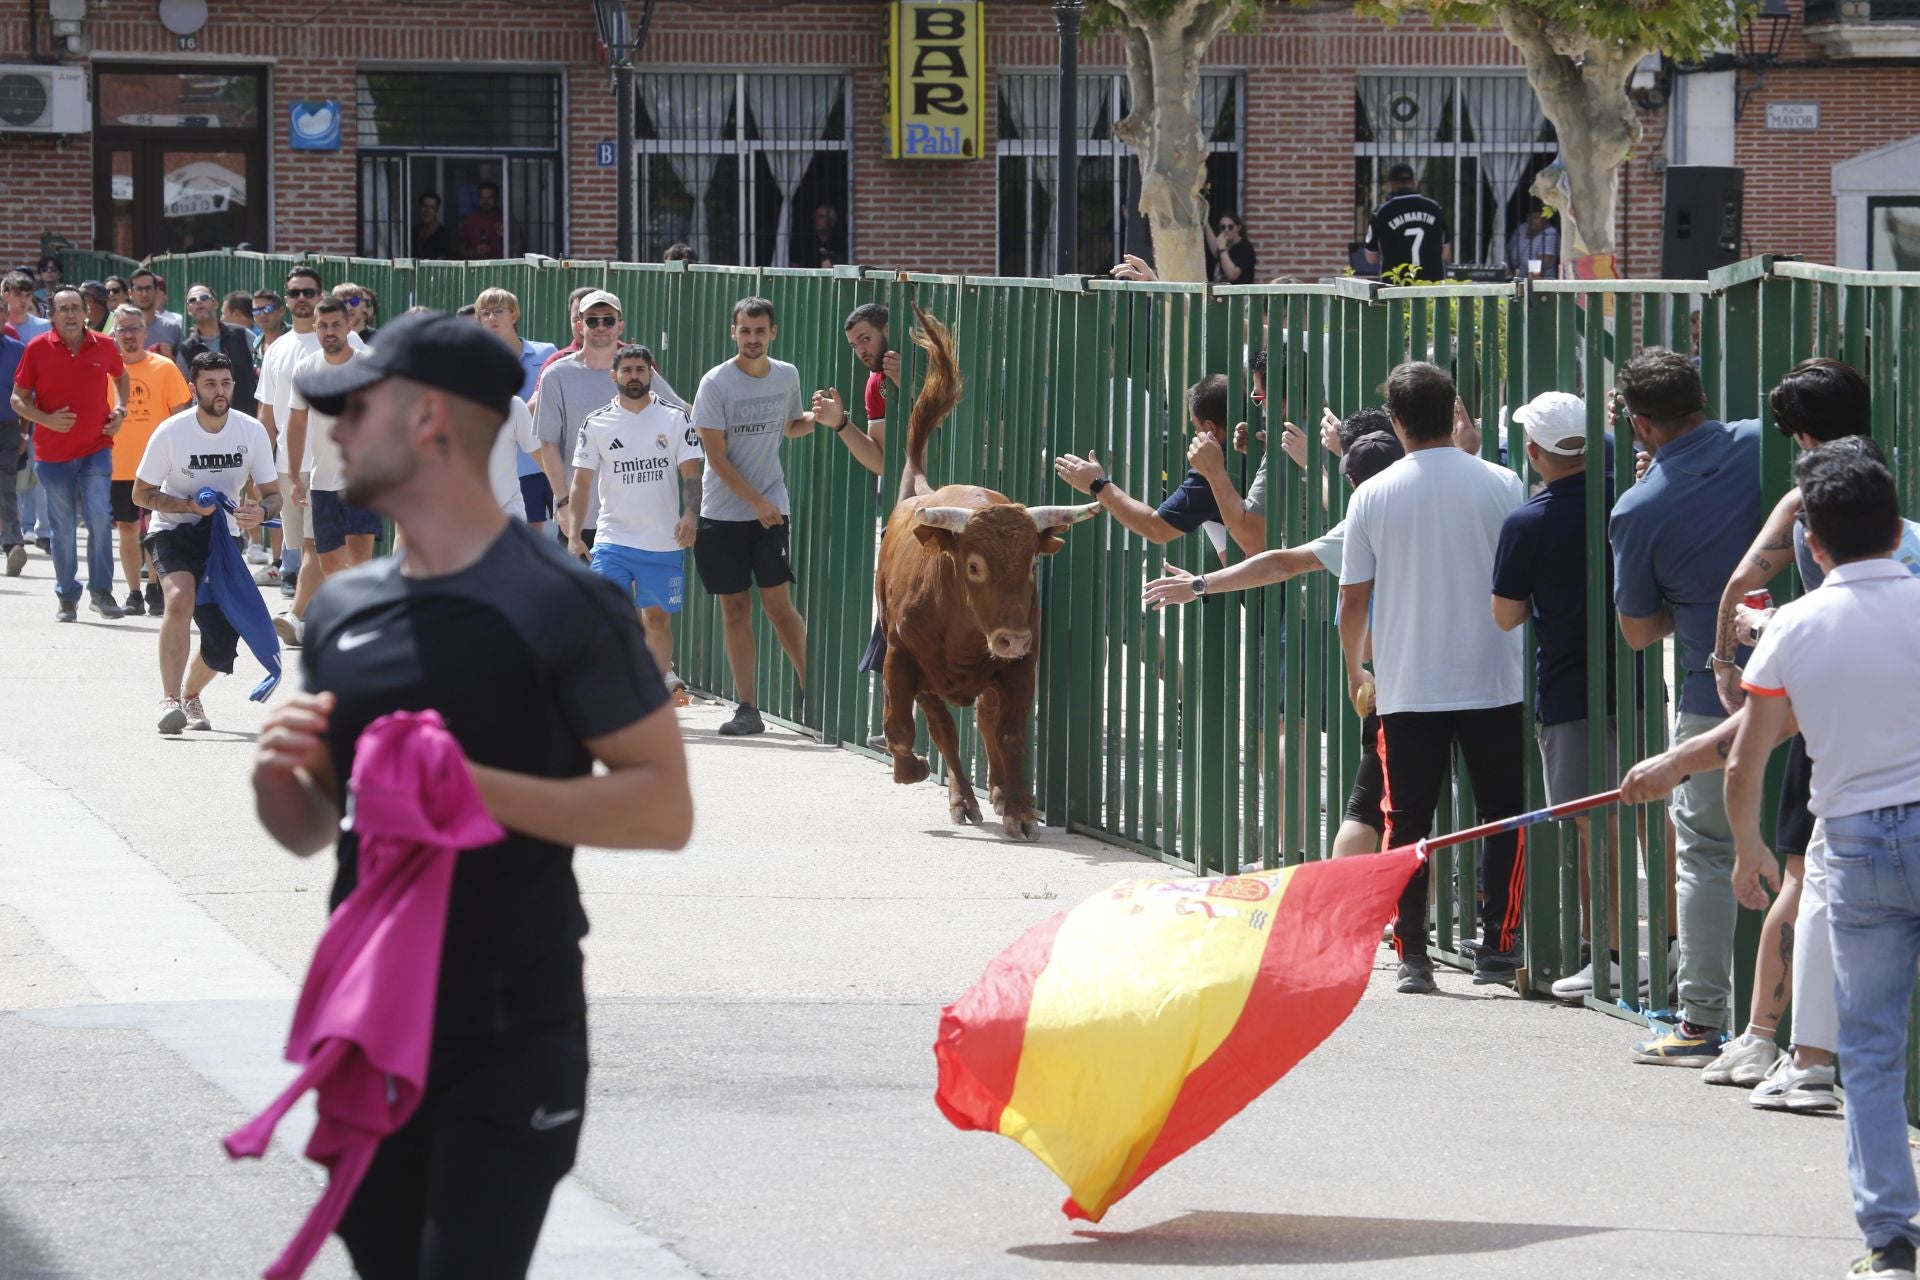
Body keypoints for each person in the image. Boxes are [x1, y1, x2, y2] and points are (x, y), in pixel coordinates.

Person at [255, 310, 690, 1279]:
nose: (334, 429)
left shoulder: (565, 602)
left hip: (512, 1027)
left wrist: (466, 787)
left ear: (427, 420)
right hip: (374, 1025)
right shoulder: (343, 606)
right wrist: (277, 780)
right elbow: (314, 828)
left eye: (356, 408)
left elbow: (664, 808)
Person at [1724, 443, 1920, 1280]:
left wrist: (1749, 847)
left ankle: (1891, 1238)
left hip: (1855, 842)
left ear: (1812, 542)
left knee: (1869, 1047)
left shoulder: (1794, 627)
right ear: (1897, 528)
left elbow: (1747, 756)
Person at [1695, 361, 1879, 1103]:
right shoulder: (1881, 491)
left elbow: (1742, 582)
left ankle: (1767, 1039)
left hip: (1819, 702)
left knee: (1802, 879)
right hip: (1890, 715)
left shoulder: (1811, 496)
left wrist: (1725, 659)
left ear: (1800, 435)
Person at [1339, 361, 1526, 993]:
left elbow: (1354, 601)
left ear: (1396, 421)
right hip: (1493, 675)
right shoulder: (1503, 482)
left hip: (1408, 683)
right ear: (1454, 413)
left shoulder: (1372, 494)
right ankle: (1499, 944)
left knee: (1406, 819)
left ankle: (1413, 953)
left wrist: (1356, 667)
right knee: (1502, 814)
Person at [1145, 420, 1406, 861]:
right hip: (1453, 682)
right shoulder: (1450, 502)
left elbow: (1284, 563)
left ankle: (1299, 862)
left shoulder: (1367, 521)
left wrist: (1200, 583)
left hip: (1394, 679)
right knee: (1385, 801)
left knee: (1369, 800)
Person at [1608, 345, 1763, 1065]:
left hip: (1715, 695)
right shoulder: (1761, 443)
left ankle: (1702, 1020)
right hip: (1815, 681)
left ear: (1640, 423)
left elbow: (1638, 632)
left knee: (1705, 850)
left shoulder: (1639, 507)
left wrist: (1691, 607)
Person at [1489, 391, 1627, 999]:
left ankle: (1611, 953)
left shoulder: (1528, 520)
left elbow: (1505, 615)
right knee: (1646, 815)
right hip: (1634, 674)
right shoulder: (1625, 498)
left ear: (1534, 452)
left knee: (1592, 823)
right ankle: (1668, 947)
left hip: (1569, 686)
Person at [691, 295, 819, 737]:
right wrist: (756, 503)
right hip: (723, 513)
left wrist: (819, 418)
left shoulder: (787, 375)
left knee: (779, 607)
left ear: (772, 333)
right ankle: (748, 708)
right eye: (744, 330)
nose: (752, 338)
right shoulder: (715, 383)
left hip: (771, 509)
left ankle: (815, 698)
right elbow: (716, 456)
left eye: (760, 331)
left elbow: (791, 426)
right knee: (735, 609)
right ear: (734, 333)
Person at [134, 352, 280, 734]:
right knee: (180, 598)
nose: (220, 391)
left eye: (225, 383)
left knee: (222, 640)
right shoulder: (171, 432)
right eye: (210, 383)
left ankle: (190, 693)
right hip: (173, 531)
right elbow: (140, 493)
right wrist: (186, 506)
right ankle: (169, 700)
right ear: (193, 388)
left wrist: (261, 512)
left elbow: (272, 494)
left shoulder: (251, 432)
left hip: (223, 538)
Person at [568, 343, 702, 701]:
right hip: (612, 539)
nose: (633, 377)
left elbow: (692, 474)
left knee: (657, 619)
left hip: (661, 541)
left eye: (640, 370)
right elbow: (581, 483)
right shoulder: (596, 422)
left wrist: (690, 514)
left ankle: (652, 699)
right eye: (626, 370)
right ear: (614, 375)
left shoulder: (676, 418)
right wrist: (575, 534)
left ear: (650, 374)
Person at [10, 286, 130, 622]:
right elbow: (18, 398)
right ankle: (66, 596)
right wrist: (45, 419)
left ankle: (101, 592)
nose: (71, 314)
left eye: (76, 307)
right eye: (63, 309)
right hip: (53, 455)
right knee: (62, 528)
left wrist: (121, 410)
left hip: (96, 447)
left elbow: (121, 377)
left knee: (99, 517)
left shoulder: (104, 345)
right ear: (52, 315)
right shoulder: (37, 348)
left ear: (86, 312)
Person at [276, 297, 380, 646]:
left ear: (349, 324)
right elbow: (296, 424)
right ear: (314, 328)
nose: (329, 331)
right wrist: (294, 476)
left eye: (336, 324)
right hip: (321, 480)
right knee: (330, 562)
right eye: (322, 326)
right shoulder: (306, 369)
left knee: (360, 555)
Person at [257, 267, 364, 596]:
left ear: (320, 295)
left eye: (308, 292)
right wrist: (261, 466)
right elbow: (267, 412)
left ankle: (310, 611)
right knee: (303, 547)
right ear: (286, 300)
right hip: (288, 464)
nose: (301, 298)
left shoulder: (349, 341)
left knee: (321, 547)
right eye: (294, 293)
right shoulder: (276, 348)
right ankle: (313, 607)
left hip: (331, 465)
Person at [1053, 375, 1235, 564]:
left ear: (1210, 429)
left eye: (1196, 428)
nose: (1195, 436)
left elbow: (1157, 528)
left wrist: (1097, 485)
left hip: (1116, 539)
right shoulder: (1252, 451)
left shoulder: (1211, 472)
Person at [106, 305, 191, 617]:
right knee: (127, 529)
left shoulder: (164, 367)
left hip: (158, 466)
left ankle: (155, 587)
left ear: (145, 332)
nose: (128, 335)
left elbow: (179, 416)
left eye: (134, 328)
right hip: (119, 463)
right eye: (122, 329)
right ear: (114, 334)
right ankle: (133, 593)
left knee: (156, 528)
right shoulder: (107, 372)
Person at [537, 291, 628, 553]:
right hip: (580, 517)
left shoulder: (636, 371)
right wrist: (562, 502)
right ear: (580, 326)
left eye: (608, 320)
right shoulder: (556, 374)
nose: (601, 326)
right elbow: (547, 443)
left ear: (620, 326)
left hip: (629, 519)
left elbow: (680, 413)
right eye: (592, 320)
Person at [475, 287, 563, 531]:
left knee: (563, 533)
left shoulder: (547, 353)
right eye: (485, 313)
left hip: (545, 458)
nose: (492, 317)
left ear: (514, 315)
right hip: (509, 469)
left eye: (498, 311)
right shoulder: (476, 361)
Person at [807, 301, 900, 478]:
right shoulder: (876, 382)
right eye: (854, 345)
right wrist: (840, 424)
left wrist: (907, 385)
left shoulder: (929, 357)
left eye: (865, 339)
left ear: (887, 329)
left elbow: (949, 421)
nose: (861, 351)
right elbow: (883, 463)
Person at [177, 283, 259, 414]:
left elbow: (264, 372)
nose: (198, 301)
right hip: (208, 424)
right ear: (188, 310)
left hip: (247, 419)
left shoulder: (241, 335)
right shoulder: (186, 350)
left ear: (215, 304)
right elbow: (186, 397)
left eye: (204, 297)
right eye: (192, 300)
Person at [1365, 163, 1450, 281]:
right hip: (1431, 285)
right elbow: (1446, 255)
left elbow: (1371, 258)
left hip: (1394, 286)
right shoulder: (1435, 209)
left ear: (1390, 185)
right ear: (1415, 183)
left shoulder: (1381, 213)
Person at [0, 325, 24, 576]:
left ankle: (12, 544)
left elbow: (27, 393)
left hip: (7, 428)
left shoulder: (17, 350)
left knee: (5, 485)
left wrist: (25, 433)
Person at [129, 268, 183, 359]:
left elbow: (184, 366)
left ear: (156, 291)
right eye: (139, 289)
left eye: (148, 288)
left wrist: (169, 358)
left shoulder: (172, 328)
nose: (144, 294)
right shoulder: (119, 330)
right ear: (130, 294)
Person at [1507, 204, 1560, 278]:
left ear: (1545, 219)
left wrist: (1529, 279)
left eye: (1535, 217)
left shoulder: (1550, 233)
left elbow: (1543, 264)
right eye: (1529, 216)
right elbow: (1508, 251)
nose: (1531, 220)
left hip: (1542, 279)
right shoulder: (1522, 228)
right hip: (1517, 277)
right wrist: (1511, 272)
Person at [458, 180, 505, 259]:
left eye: (489, 198)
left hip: (501, 265)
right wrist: (474, 252)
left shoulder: (506, 219)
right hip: (475, 265)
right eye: (482, 198)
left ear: (496, 198)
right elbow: (460, 248)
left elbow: (516, 249)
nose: (485, 202)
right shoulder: (470, 221)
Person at [1206, 213, 1256, 284]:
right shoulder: (1226, 245)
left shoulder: (1245, 247)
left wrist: (1222, 249)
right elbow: (1215, 250)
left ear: (1238, 228)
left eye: (1230, 227)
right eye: (1223, 227)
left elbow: (1232, 275)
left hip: (1240, 290)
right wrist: (1206, 224)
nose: (1226, 230)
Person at [3, 271, 49, 342]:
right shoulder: (2, 325)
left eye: (28, 295)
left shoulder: (45, 326)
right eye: (18, 294)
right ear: (6, 296)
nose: (23, 300)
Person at [412, 190, 454, 260]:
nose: (427, 211)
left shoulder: (443, 234)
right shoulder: (414, 231)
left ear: (436, 211)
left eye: (431, 207)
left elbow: (443, 258)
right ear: (420, 208)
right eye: (424, 206)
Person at [252, 288, 287, 357]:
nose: (262, 314)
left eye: (268, 309)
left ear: (281, 311)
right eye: (256, 310)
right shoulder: (256, 344)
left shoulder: (295, 337)